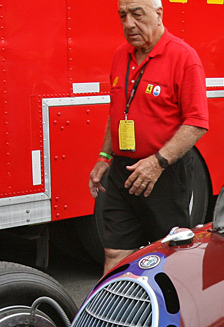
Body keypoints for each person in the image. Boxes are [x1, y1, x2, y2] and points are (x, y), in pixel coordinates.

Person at [88, 0, 209, 276]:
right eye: (122, 15)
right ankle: (111, 315)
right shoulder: (121, 55)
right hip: (123, 170)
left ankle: (176, 315)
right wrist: (104, 157)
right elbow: (117, 112)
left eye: (137, 14)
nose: (128, 24)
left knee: (169, 252)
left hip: (165, 173)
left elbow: (197, 123)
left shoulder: (183, 57)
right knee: (115, 251)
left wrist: (157, 163)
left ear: (158, 14)